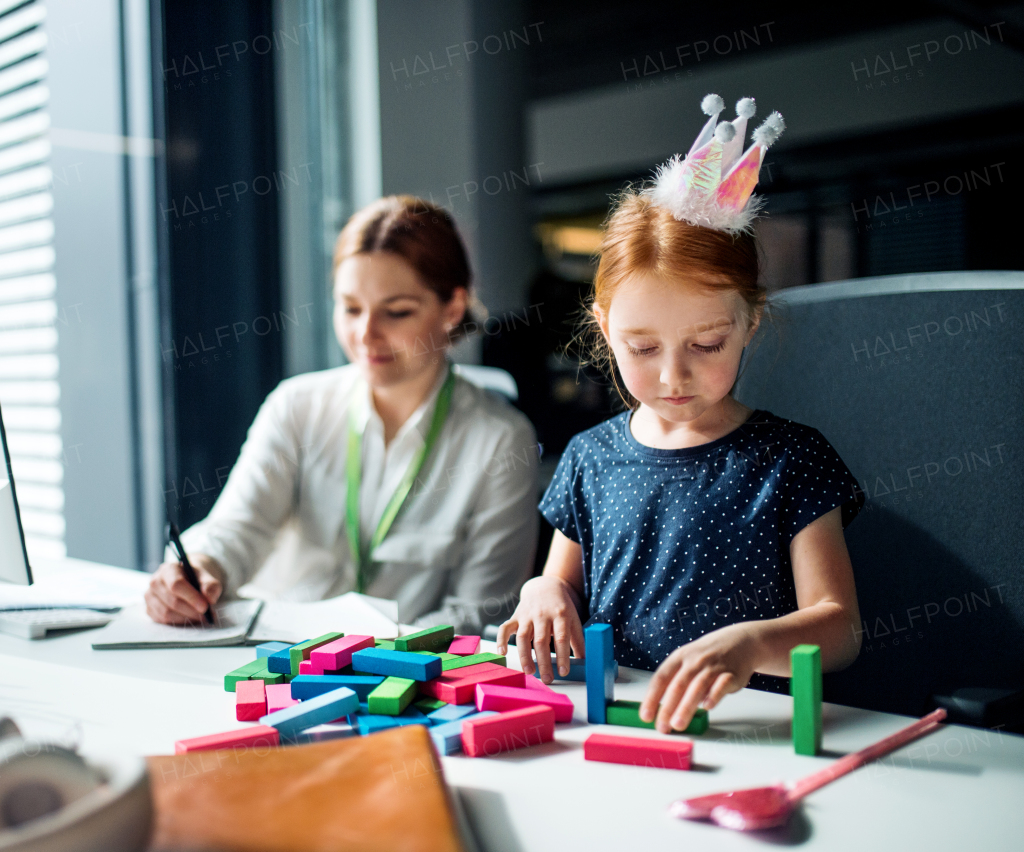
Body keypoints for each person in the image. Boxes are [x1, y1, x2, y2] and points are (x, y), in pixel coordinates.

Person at [497, 96, 864, 734]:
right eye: (642, 348)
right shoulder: (589, 458)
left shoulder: (792, 460)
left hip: (751, 729)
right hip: (615, 722)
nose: (673, 375)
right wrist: (540, 593)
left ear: (750, 322)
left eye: (706, 345)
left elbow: (840, 628)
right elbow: (558, 586)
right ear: (605, 328)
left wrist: (751, 645)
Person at [145, 195, 539, 633]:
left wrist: (367, 657)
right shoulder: (296, 406)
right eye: (350, 308)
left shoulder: (501, 441)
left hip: (398, 678)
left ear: (452, 308)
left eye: (397, 311)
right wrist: (198, 569)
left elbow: (481, 614)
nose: (365, 334)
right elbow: (238, 528)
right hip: (274, 658)